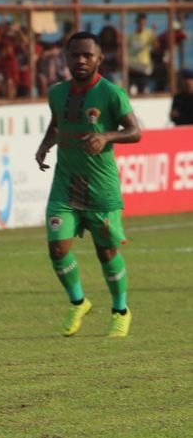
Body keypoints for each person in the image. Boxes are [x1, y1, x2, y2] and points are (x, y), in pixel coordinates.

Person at [35, 31, 141, 338]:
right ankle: (78, 302)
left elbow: (135, 131)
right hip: (65, 185)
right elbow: (57, 124)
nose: (80, 60)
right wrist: (45, 145)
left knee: (105, 252)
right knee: (57, 247)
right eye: (74, 55)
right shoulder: (57, 93)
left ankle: (121, 309)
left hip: (101, 188)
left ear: (99, 59)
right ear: (66, 58)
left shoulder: (111, 93)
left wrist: (106, 136)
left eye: (87, 55)